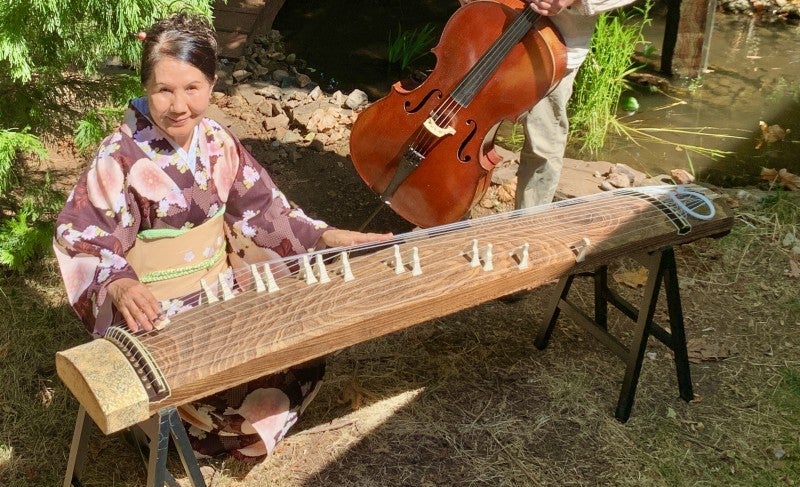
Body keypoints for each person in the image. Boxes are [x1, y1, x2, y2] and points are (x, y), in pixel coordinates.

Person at [53, 12, 392, 463]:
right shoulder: (119, 155)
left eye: (192, 88)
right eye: (164, 90)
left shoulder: (217, 139)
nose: (178, 106)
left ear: (212, 84)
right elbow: (82, 235)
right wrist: (119, 283)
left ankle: (195, 429)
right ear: (145, 87)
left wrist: (325, 236)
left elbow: (265, 209)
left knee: (301, 357)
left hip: (219, 294)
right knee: (217, 390)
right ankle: (160, 428)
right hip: (158, 312)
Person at [459, 0, 636, 208]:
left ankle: (526, 227)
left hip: (550, 54)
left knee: (541, 146)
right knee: (455, 125)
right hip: (481, 32)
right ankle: (442, 206)